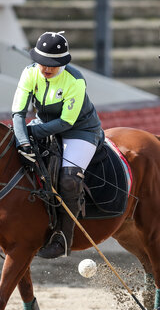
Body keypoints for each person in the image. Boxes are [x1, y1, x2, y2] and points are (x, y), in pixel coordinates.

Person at [12, 31, 104, 259]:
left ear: (62, 62)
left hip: (80, 131)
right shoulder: (29, 73)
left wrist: (30, 131)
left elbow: (65, 122)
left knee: (69, 179)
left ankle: (63, 238)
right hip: (43, 124)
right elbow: (18, 113)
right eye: (42, 62)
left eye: (52, 64)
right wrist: (23, 141)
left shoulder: (75, 80)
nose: (46, 68)